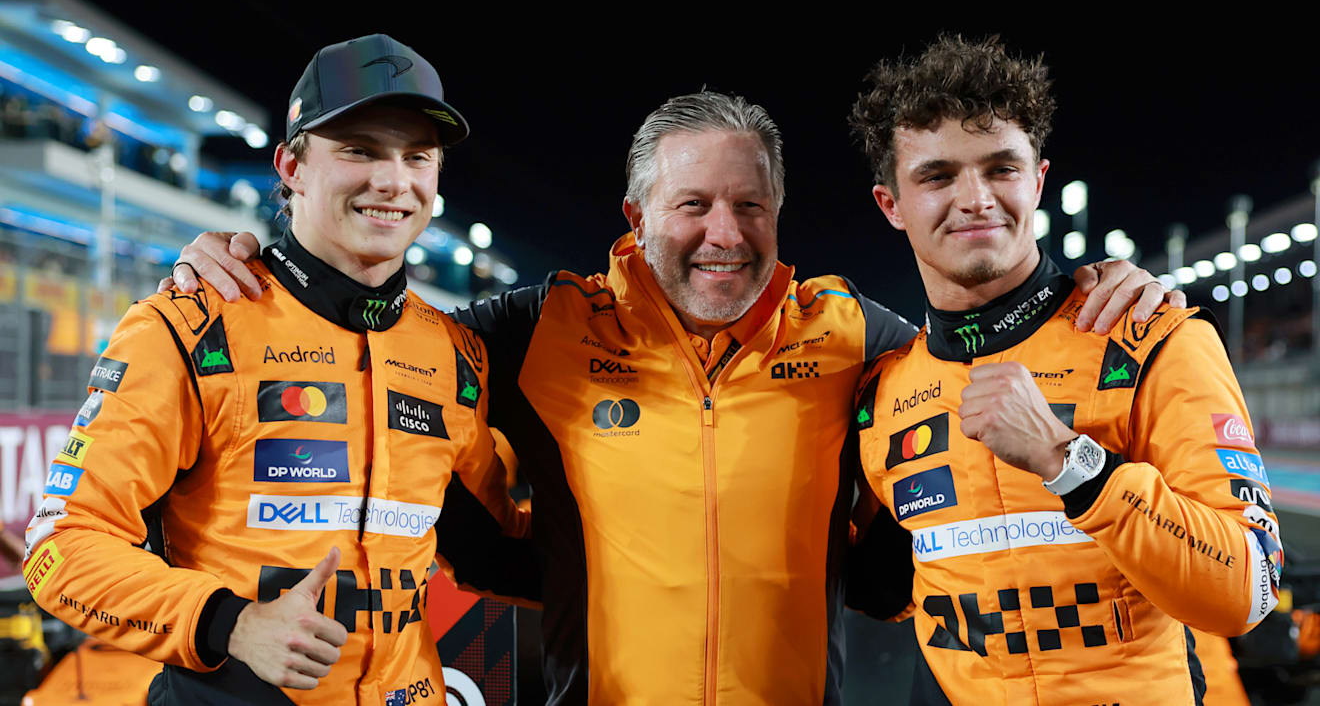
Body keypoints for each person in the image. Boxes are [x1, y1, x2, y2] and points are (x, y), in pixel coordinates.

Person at [166, 90, 1178, 705]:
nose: (724, 234)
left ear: (781, 213)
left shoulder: (854, 335)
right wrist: (258, 260)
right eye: (692, 205)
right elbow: (369, 330)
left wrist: (1087, 290)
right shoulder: (538, 329)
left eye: (750, 205)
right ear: (637, 214)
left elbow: (971, 348)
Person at [22, 34, 528, 705]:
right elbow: (61, 545)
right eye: (359, 149)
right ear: (291, 165)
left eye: (417, 157)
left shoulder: (455, 350)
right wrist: (230, 623)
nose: (393, 180)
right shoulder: (187, 325)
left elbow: (506, 537)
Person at [846, 34, 1280, 705]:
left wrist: (1069, 460)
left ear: (1039, 180)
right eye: (937, 176)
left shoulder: (1154, 338)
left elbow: (1248, 592)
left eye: (1001, 168)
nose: (976, 198)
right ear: (891, 204)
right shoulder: (882, 394)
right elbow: (886, 590)